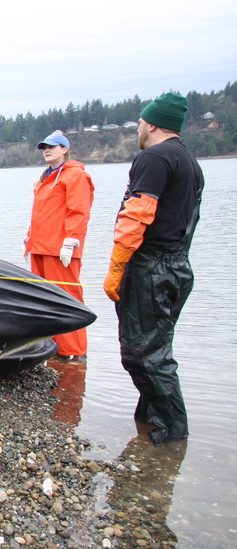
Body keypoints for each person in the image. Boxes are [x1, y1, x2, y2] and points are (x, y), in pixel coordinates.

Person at [103, 92, 203, 445]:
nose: (139, 129)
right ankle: (150, 421)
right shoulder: (190, 162)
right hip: (178, 265)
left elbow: (137, 215)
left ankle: (174, 432)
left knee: (141, 352)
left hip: (150, 267)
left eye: (142, 123)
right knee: (155, 349)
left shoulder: (155, 157)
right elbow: (189, 220)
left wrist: (117, 266)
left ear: (153, 124)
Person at [23, 132, 94, 362]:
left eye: (52, 146)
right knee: (44, 298)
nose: (47, 150)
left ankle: (76, 350)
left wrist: (71, 241)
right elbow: (42, 213)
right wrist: (29, 239)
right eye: (44, 147)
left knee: (67, 295)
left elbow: (79, 211)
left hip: (60, 249)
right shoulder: (46, 177)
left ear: (64, 149)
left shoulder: (75, 175)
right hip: (41, 246)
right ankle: (54, 348)